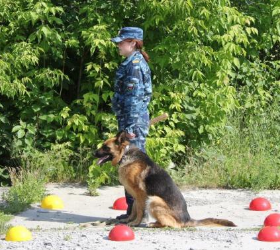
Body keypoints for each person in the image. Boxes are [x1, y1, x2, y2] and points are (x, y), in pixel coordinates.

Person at [111, 27, 152, 220]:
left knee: (133, 169)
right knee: (128, 166)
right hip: (130, 121)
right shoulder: (131, 62)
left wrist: (128, 129)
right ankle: (131, 211)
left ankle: (139, 214)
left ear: (133, 43)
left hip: (132, 124)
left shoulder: (135, 64)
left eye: (121, 42)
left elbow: (134, 98)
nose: (118, 45)